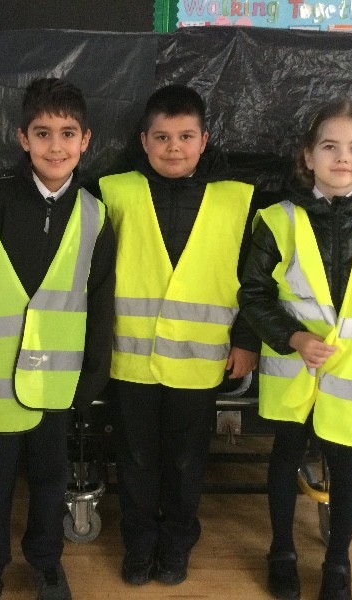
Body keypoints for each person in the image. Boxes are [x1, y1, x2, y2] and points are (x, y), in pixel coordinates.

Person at [238, 98, 352, 600]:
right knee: (285, 458)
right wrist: (294, 337)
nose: (343, 157)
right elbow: (252, 295)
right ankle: (281, 552)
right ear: (308, 155)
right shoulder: (277, 220)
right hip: (293, 371)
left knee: (346, 469)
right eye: (330, 146)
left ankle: (338, 563)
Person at [0, 78, 116, 600]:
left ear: (86, 140)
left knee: (50, 481)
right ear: (22, 138)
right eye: (42, 133)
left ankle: (46, 561)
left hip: (57, 387)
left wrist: (95, 371)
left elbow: (100, 299)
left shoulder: (95, 216)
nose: (55, 146)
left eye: (67, 133)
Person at [99, 84, 259, 586]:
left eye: (186, 136)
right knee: (135, 459)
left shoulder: (236, 200)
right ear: (144, 141)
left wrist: (247, 340)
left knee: (187, 461)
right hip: (131, 360)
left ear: (204, 140)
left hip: (200, 360)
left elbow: (256, 277)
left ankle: (176, 544)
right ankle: (139, 544)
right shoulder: (114, 192)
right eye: (163, 137)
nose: (174, 148)